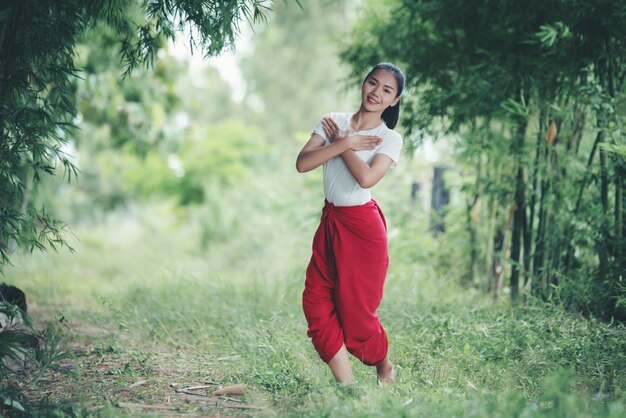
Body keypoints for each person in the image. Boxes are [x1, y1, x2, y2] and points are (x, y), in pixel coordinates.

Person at [295, 63, 405, 385]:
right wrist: (344, 142)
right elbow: (303, 163)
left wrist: (344, 145)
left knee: (357, 315)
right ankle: (348, 389)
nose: (376, 92)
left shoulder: (389, 138)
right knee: (315, 300)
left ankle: (383, 365)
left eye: (387, 90)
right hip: (331, 224)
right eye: (373, 83)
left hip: (364, 231)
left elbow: (367, 177)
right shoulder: (334, 122)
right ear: (364, 83)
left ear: (394, 101)